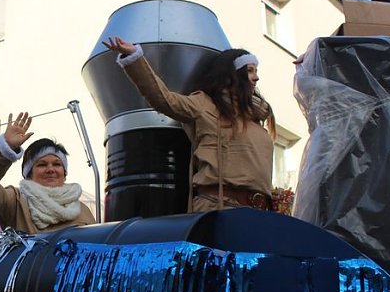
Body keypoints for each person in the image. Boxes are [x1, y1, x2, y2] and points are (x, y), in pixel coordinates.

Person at [102, 36, 276, 212]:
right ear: (232, 75)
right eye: (250, 70)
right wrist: (135, 59)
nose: (256, 78)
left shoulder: (256, 119)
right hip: (219, 208)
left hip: (259, 214)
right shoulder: (206, 104)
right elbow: (164, 99)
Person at [0, 112, 96, 233]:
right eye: (42, 165)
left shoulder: (83, 211)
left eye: (57, 164)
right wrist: (5, 149)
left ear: (64, 173)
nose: (50, 169)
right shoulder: (16, 202)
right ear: (28, 175)